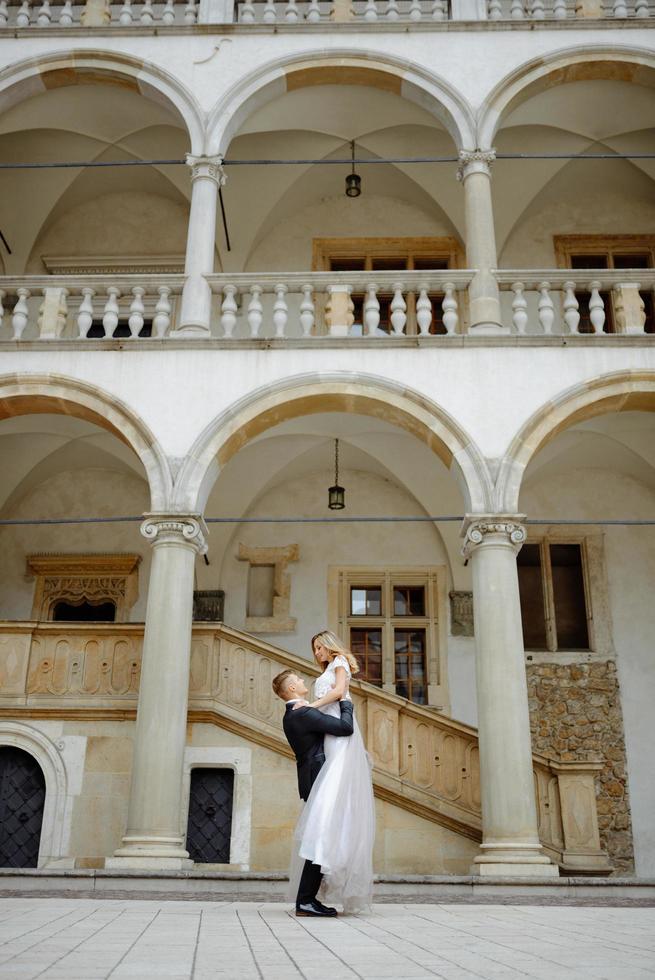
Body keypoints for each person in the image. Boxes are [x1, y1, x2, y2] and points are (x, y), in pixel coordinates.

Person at [290, 630, 375, 914]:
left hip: (339, 735)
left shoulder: (339, 662)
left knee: (331, 796)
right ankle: (314, 883)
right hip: (328, 733)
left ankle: (325, 862)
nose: (316, 653)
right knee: (327, 799)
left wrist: (308, 707)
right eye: (314, 649)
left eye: (319, 648)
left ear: (329, 646)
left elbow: (339, 693)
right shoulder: (325, 669)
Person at [272, 667, 354, 917]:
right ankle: (306, 901)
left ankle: (308, 899)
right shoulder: (302, 713)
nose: (301, 679)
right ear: (292, 689)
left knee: (320, 840)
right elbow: (344, 727)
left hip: (312, 780)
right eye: (296, 679)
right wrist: (346, 702)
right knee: (319, 841)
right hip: (318, 781)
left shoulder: (296, 714)